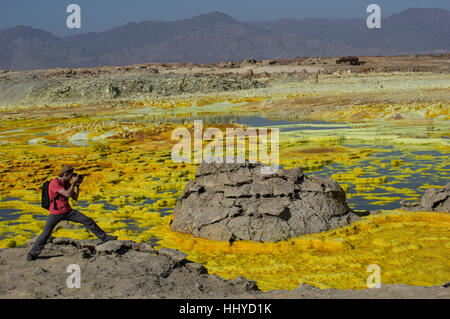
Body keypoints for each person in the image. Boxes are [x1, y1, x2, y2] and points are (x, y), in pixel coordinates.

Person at [27, 165, 117, 261]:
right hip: (55, 212)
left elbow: (74, 197)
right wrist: (73, 183)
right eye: (71, 176)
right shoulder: (55, 183)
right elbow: (67, 194)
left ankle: (105, 238)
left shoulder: (67, 182)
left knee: (87, 220)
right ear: (65, 174)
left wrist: (77, 185)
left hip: (67, 211)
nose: (72, 178)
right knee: (46, 233)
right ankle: (32, 254)